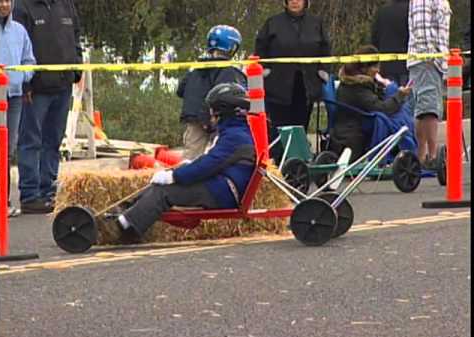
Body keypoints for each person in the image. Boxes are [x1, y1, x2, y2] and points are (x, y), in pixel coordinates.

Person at [98, 83, 256, 242]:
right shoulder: (236, 132)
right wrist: (185, 168)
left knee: (163, 192)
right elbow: (212, 162)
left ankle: (122, 229)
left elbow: (208, 165)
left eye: (213, 110)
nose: (211, 114)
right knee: (159, 186)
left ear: (223, 110)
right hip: (221, 185)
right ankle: (124, 213)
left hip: (224, 191)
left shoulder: (234, 136)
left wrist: (175, 176)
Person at [14, 0, 83, 214]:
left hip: (63, 86)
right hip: (36, 89)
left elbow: (76, 37)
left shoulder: (67, 5)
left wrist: (77, 68)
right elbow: (18, 45)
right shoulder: (23, 7)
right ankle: (30, 195)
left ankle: (48, 190)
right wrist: (25, 83)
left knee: (53, 141)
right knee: (30, 141)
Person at [255, 0, 331, 164]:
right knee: (279, 125)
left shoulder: (316, 23)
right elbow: (260, 48)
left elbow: (325, 49)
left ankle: (298, 161)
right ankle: (279, 160)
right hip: (278, 84)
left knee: (300, 123)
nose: (295, 2)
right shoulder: (272, 23)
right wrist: (265, 68)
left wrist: (322, 69)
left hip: (306, 84)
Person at [329, 45, 412, 162]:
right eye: (375, 66)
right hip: (353, 136)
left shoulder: (356, 84)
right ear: (364, 68)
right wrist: (399, 95)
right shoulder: (357, 88)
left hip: (347, 130)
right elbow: (382, 108)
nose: (378, 70)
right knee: (388, 119)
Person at [177, 25, 247, 161]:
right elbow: (228, 96)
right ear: (232, 47)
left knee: (190, 157)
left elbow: (180, 91)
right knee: (219, 156)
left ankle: (181, 179)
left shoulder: (196, 68)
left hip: (194, 119)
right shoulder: (228, 70)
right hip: (216, 119)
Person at [0, 0, 36, 217]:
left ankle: (4, 201)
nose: (3, 5)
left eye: (7, 1)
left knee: (7, 150)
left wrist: (21, 76)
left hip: (14, 98)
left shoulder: (19, 31)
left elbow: (29, 61)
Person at [407, 0, 451, 169]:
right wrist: (435, 60)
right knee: (429, 110)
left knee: (424, 109)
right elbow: (422, 32)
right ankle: (430, 157)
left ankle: (423, 156)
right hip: (427, 61)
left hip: (430, 62)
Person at [371, 0, 410, 86]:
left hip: (386, 65)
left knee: (390, 96)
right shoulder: (411, 11)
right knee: (406, 95)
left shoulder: (382, 11)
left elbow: (374, 38)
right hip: (406, 64)